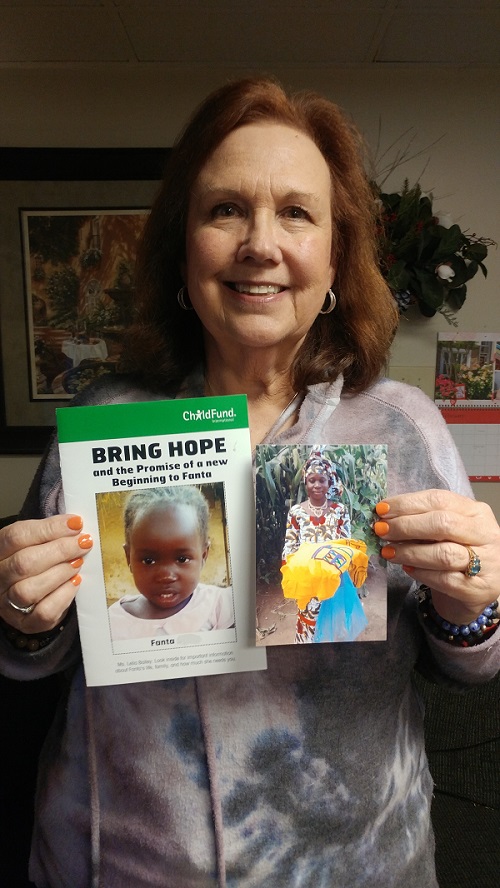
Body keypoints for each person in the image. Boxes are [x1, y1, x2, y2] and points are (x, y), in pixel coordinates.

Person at [0, 76, 499, 888]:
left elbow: (475, 666)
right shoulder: (104, 419)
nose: (260, 244)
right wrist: (22, 614)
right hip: (115, 864)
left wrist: (475, 601)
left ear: (333, 256)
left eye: (296, 213)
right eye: (225, 209)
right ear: (183, 246)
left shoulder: (403, 428)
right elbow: (34, 659)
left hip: (354, 867)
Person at [108, 486, 234, 641]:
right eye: (149, 560)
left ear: (203, 555)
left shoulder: (220, 606)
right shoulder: (112, 623)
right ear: (128, 557)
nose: (166, 576)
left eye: (182, 559)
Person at [281, 448, 368, 643]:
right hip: (307, 579)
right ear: (305, 482)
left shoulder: (340, 510)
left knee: (335, 627)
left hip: (334, 577)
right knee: (309, 624)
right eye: (312, 480)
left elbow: (345, 544)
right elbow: (290, 545)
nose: (317, 485)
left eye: (322, 480)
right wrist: (295, 571)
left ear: (330, 482)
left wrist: (335, 568)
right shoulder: (296, 512)